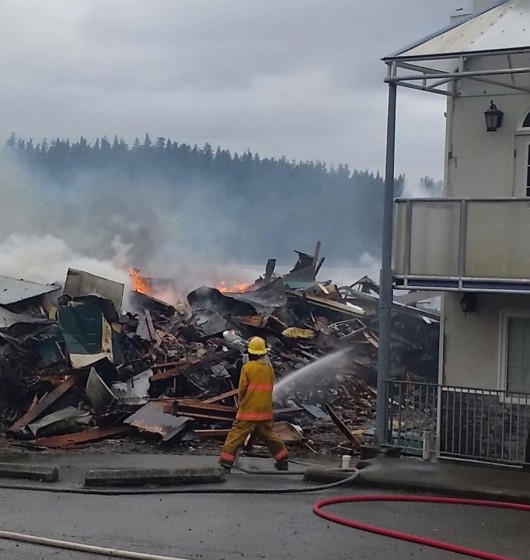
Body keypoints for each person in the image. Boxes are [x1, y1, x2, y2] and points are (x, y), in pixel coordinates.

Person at [219, 336, 288, 472]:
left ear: (250, 353)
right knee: (268, 434)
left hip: (249, 409)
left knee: (236, 435)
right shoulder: (269, 369)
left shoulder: (247, 367)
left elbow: (242, 389)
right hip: (265, 409)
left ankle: (226, 463)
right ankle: (283, 459)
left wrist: (241, 403)